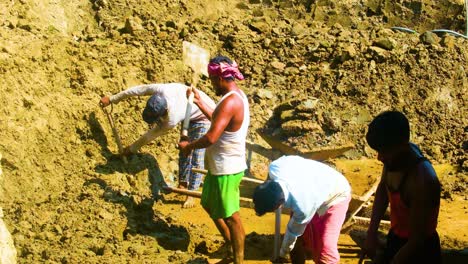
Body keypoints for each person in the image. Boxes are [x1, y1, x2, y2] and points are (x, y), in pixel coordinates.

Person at [178, 55, 249, 264]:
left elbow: (211, 137)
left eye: (211, 79)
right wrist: (199, 102)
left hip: (227, 168)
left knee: (231, 217)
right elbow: (219, 121)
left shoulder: (231, 101)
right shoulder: (234, 96)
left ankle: (238, 259)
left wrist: (188, 146)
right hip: (219, 167)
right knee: (208, 204)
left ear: (219, 78)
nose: (211, 83)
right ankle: (230, 247)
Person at [99, 83, 216, 208]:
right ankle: (183, 184)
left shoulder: (172, 117)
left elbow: (151, 134)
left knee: (195, 154)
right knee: (183, 150)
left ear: (164, 112)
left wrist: (132, 149)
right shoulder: (160, 90)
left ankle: (191, 194)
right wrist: (112, 99)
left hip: (204, 114)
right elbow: (137, 90)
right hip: (188, 110)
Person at [363, 110, 441, 263]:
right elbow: (383, 191)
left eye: (384, 151)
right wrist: (371, 234)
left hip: (420, 252)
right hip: (396, 238)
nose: (380, 157)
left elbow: (417, 241)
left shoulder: (423, 180)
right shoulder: (394, 159)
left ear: (402, 145)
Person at [253, 155, 351, 264]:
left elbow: (292, 233)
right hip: (316, 184)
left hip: (336, 193)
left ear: (278, 205)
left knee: (325, 247)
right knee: (298, 241)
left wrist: (282, 254)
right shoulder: (275, 168)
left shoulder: (302, 206)